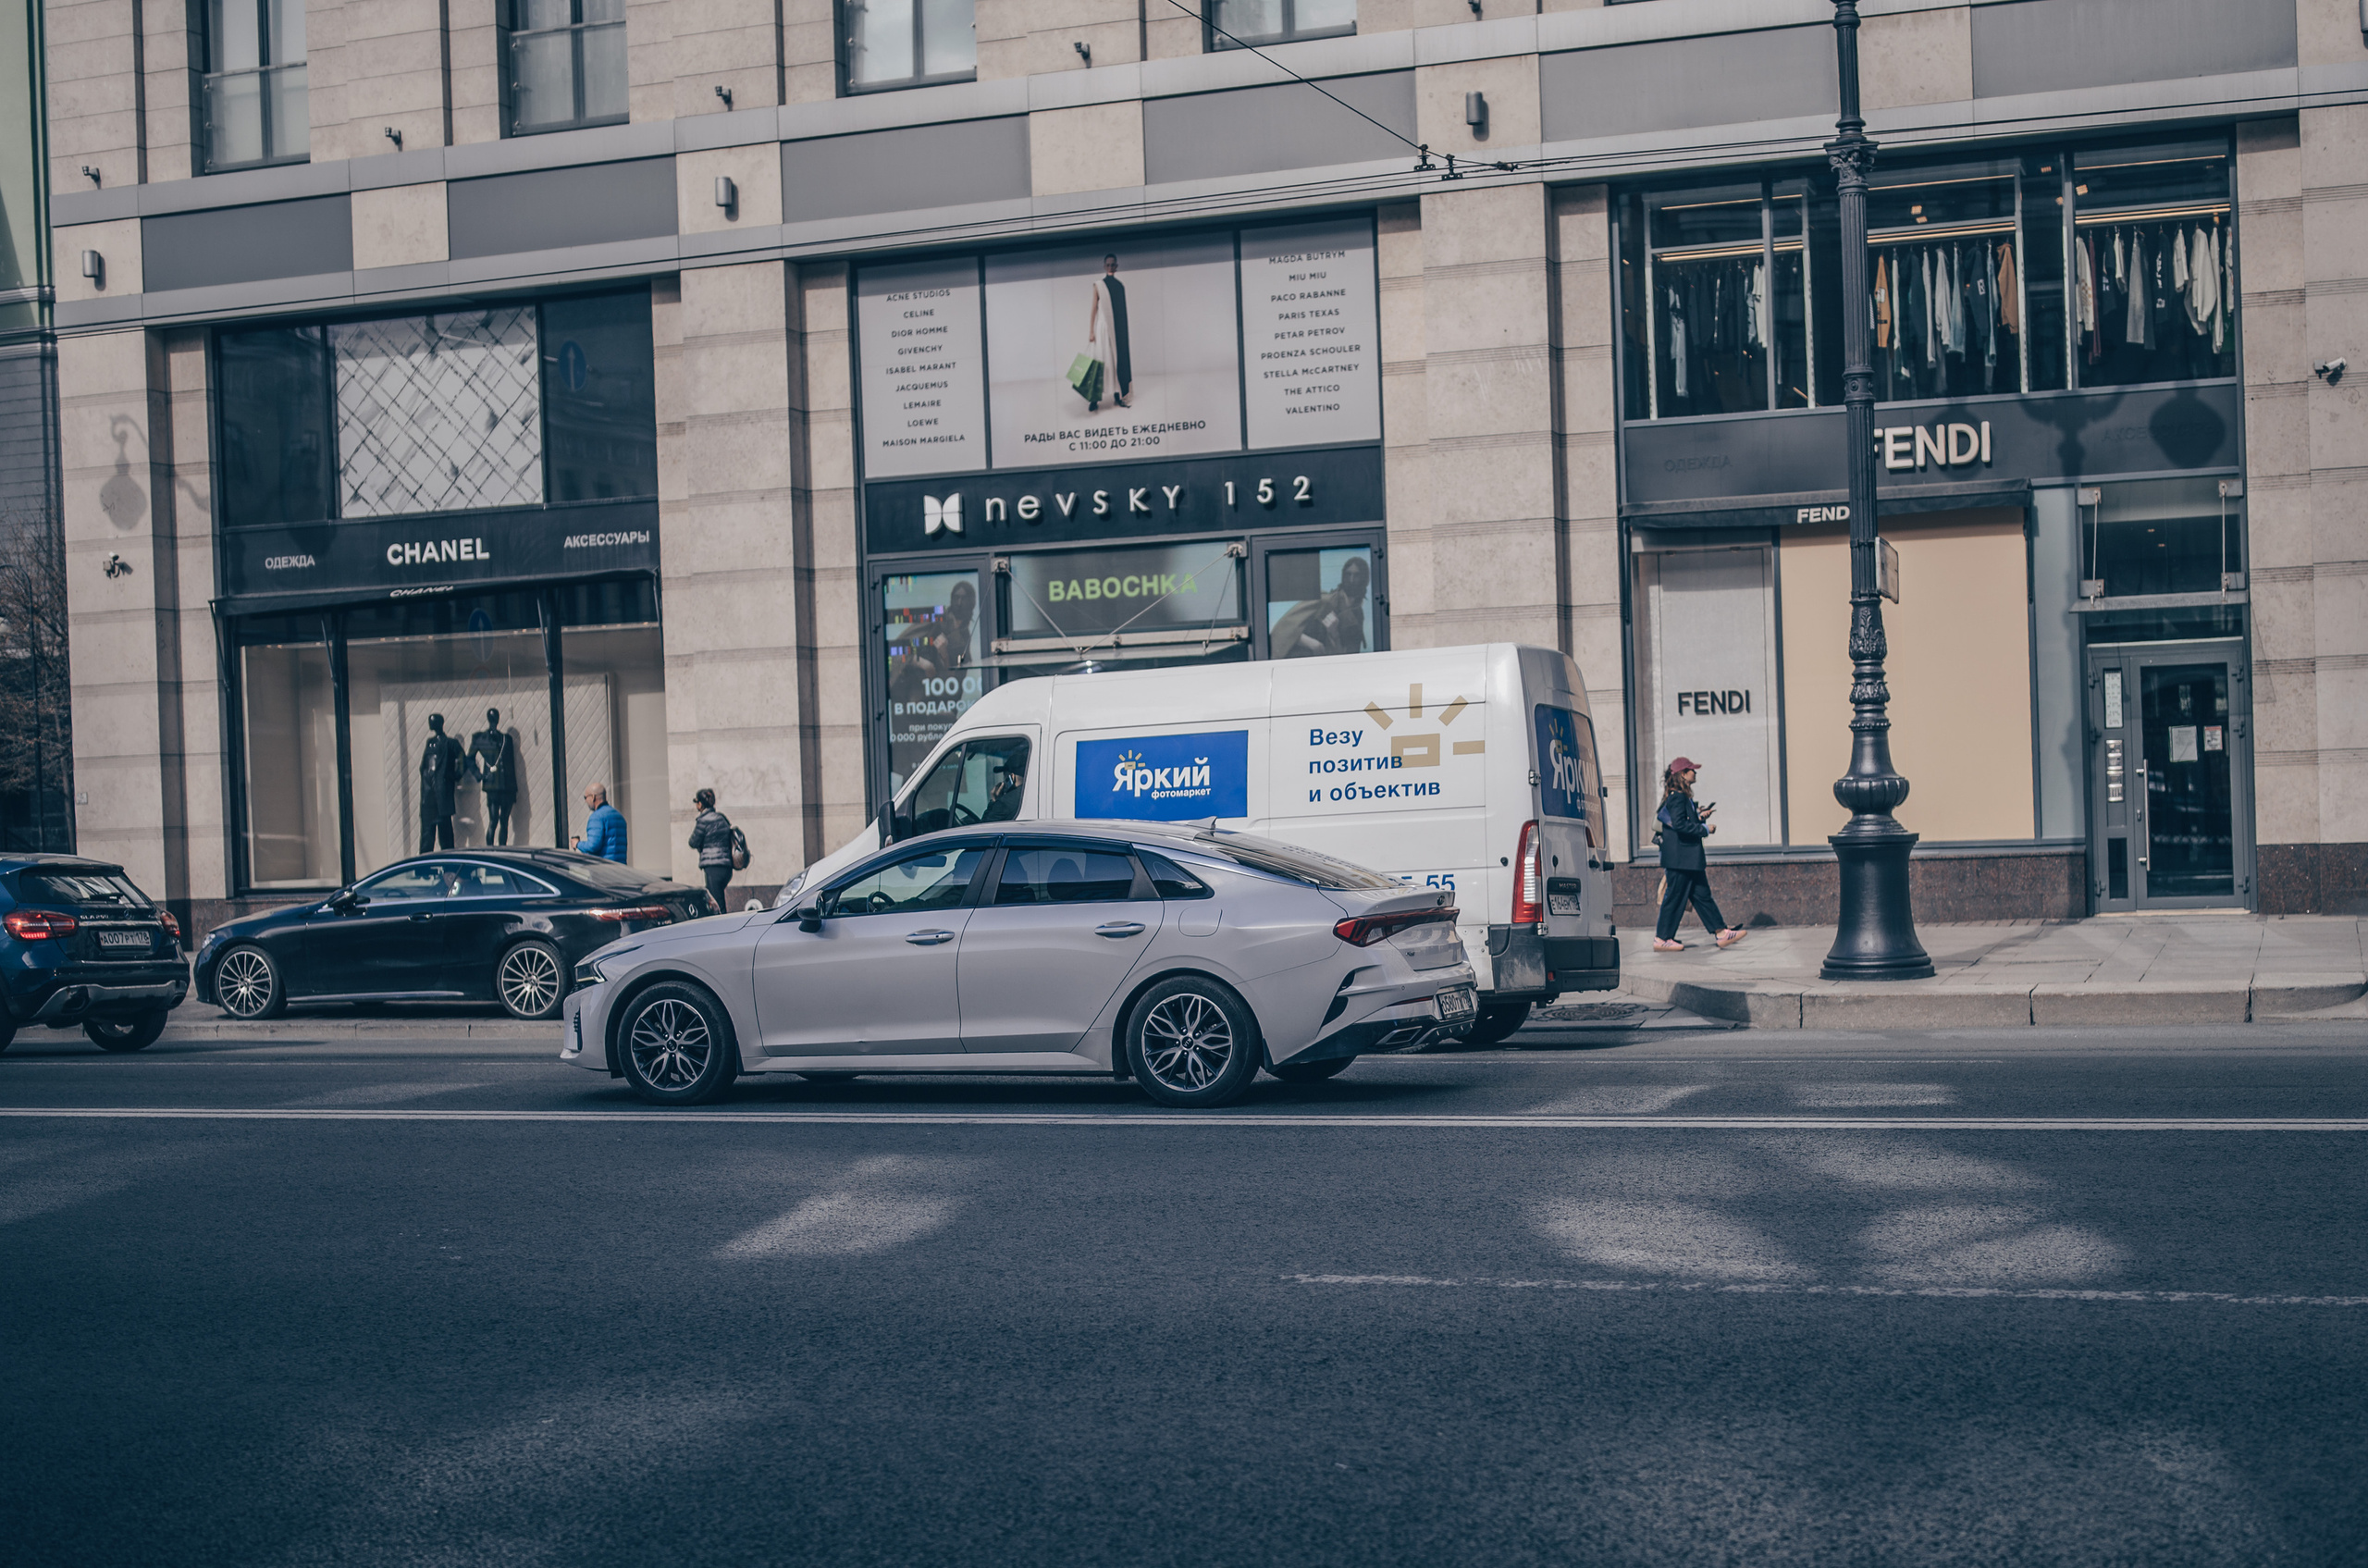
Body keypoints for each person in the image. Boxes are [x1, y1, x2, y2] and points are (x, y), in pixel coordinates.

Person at [1653, 757, 1745, 953]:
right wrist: (1704, 829)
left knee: (1703, 896)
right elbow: (1679, 825)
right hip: (1681, 859)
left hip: (1687, 859)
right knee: (1675, 897)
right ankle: (1662, 939)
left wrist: (1699, 815)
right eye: (1691, 770)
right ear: (1683, 775)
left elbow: (1682, 821)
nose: (1695, 773)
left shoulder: (1679, 796)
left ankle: (1721, 933)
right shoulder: (1677, 796)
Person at [1269, 555, 1373, 659]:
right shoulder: (1325, 601)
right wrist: (1311, 643)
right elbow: (1281, 630)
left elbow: (1347, 658)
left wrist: (1334, 633)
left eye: (1357, 575)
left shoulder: (1357, 613)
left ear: (1364, 579)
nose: (1352, 580)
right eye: (1348, 574)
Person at [1084, 253, 1133, 412]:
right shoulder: (1098, 285)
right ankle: (1094, 398)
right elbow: (1093, 309)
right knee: (1099, 363)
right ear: (1104, 266)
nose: (1111, 267)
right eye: (1108, 265)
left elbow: (1122, 313)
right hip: (1102, 328)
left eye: (1113, 265)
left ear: (1116, 267)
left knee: (1115, 362)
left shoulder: (1120, 286)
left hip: (1116, 330)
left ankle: (1117, 394)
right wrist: (1091, 331)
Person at [687, 788, 734, 910]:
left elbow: (693, 842)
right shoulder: (722, 819)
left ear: (701, 804)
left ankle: (722, 927)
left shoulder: (703, 821)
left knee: (717, 903)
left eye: (697, 802)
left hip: (713, 867)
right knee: (718, 898)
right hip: (726, 867)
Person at [576, 784, 628, 863]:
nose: (585, 801)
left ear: (593, 797)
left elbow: (593, 846)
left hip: (604, 869)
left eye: (586, 797)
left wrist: (578, 844)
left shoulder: (596, 817)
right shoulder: (619, 817)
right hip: (620, 869)